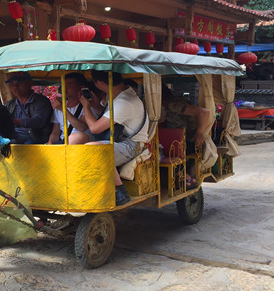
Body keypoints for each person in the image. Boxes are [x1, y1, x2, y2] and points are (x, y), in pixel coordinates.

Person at [80, 71, 149, 206]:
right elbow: (108, 118)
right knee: (76, 138)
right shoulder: (117, 96)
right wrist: (94, 105)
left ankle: (120, 191)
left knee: (93, 149)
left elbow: (95, 128)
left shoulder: (125, 101)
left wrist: (86, 107)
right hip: (116, 138)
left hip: (131, 145)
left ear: (99, 83)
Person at [159, 86, 210, 187]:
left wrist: (200, 133)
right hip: (173, 140)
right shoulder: (165, 106)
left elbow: (204, 112)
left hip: (187, 141)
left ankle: (183, 176)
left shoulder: (173, 104)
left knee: (161, 154)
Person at [4, 72, 53, 144]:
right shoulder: (10, 104)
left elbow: (38, 121)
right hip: (15, 136)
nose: (15, 86)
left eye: (19, 83)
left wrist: (15, 121)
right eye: (12, 84)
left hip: (37, 137)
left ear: (30, 83)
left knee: (27, 145)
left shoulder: (41, 101)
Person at [46, 73, 93, 145]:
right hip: (63, 142)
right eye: (63, 85)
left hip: (81, 142)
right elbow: (56, 131)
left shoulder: (87, 105)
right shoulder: (60, 105)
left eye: (69, 85)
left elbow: (82, 128)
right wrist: (50, 143)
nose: (64, 87)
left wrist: (63, 110)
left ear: (81, 87)